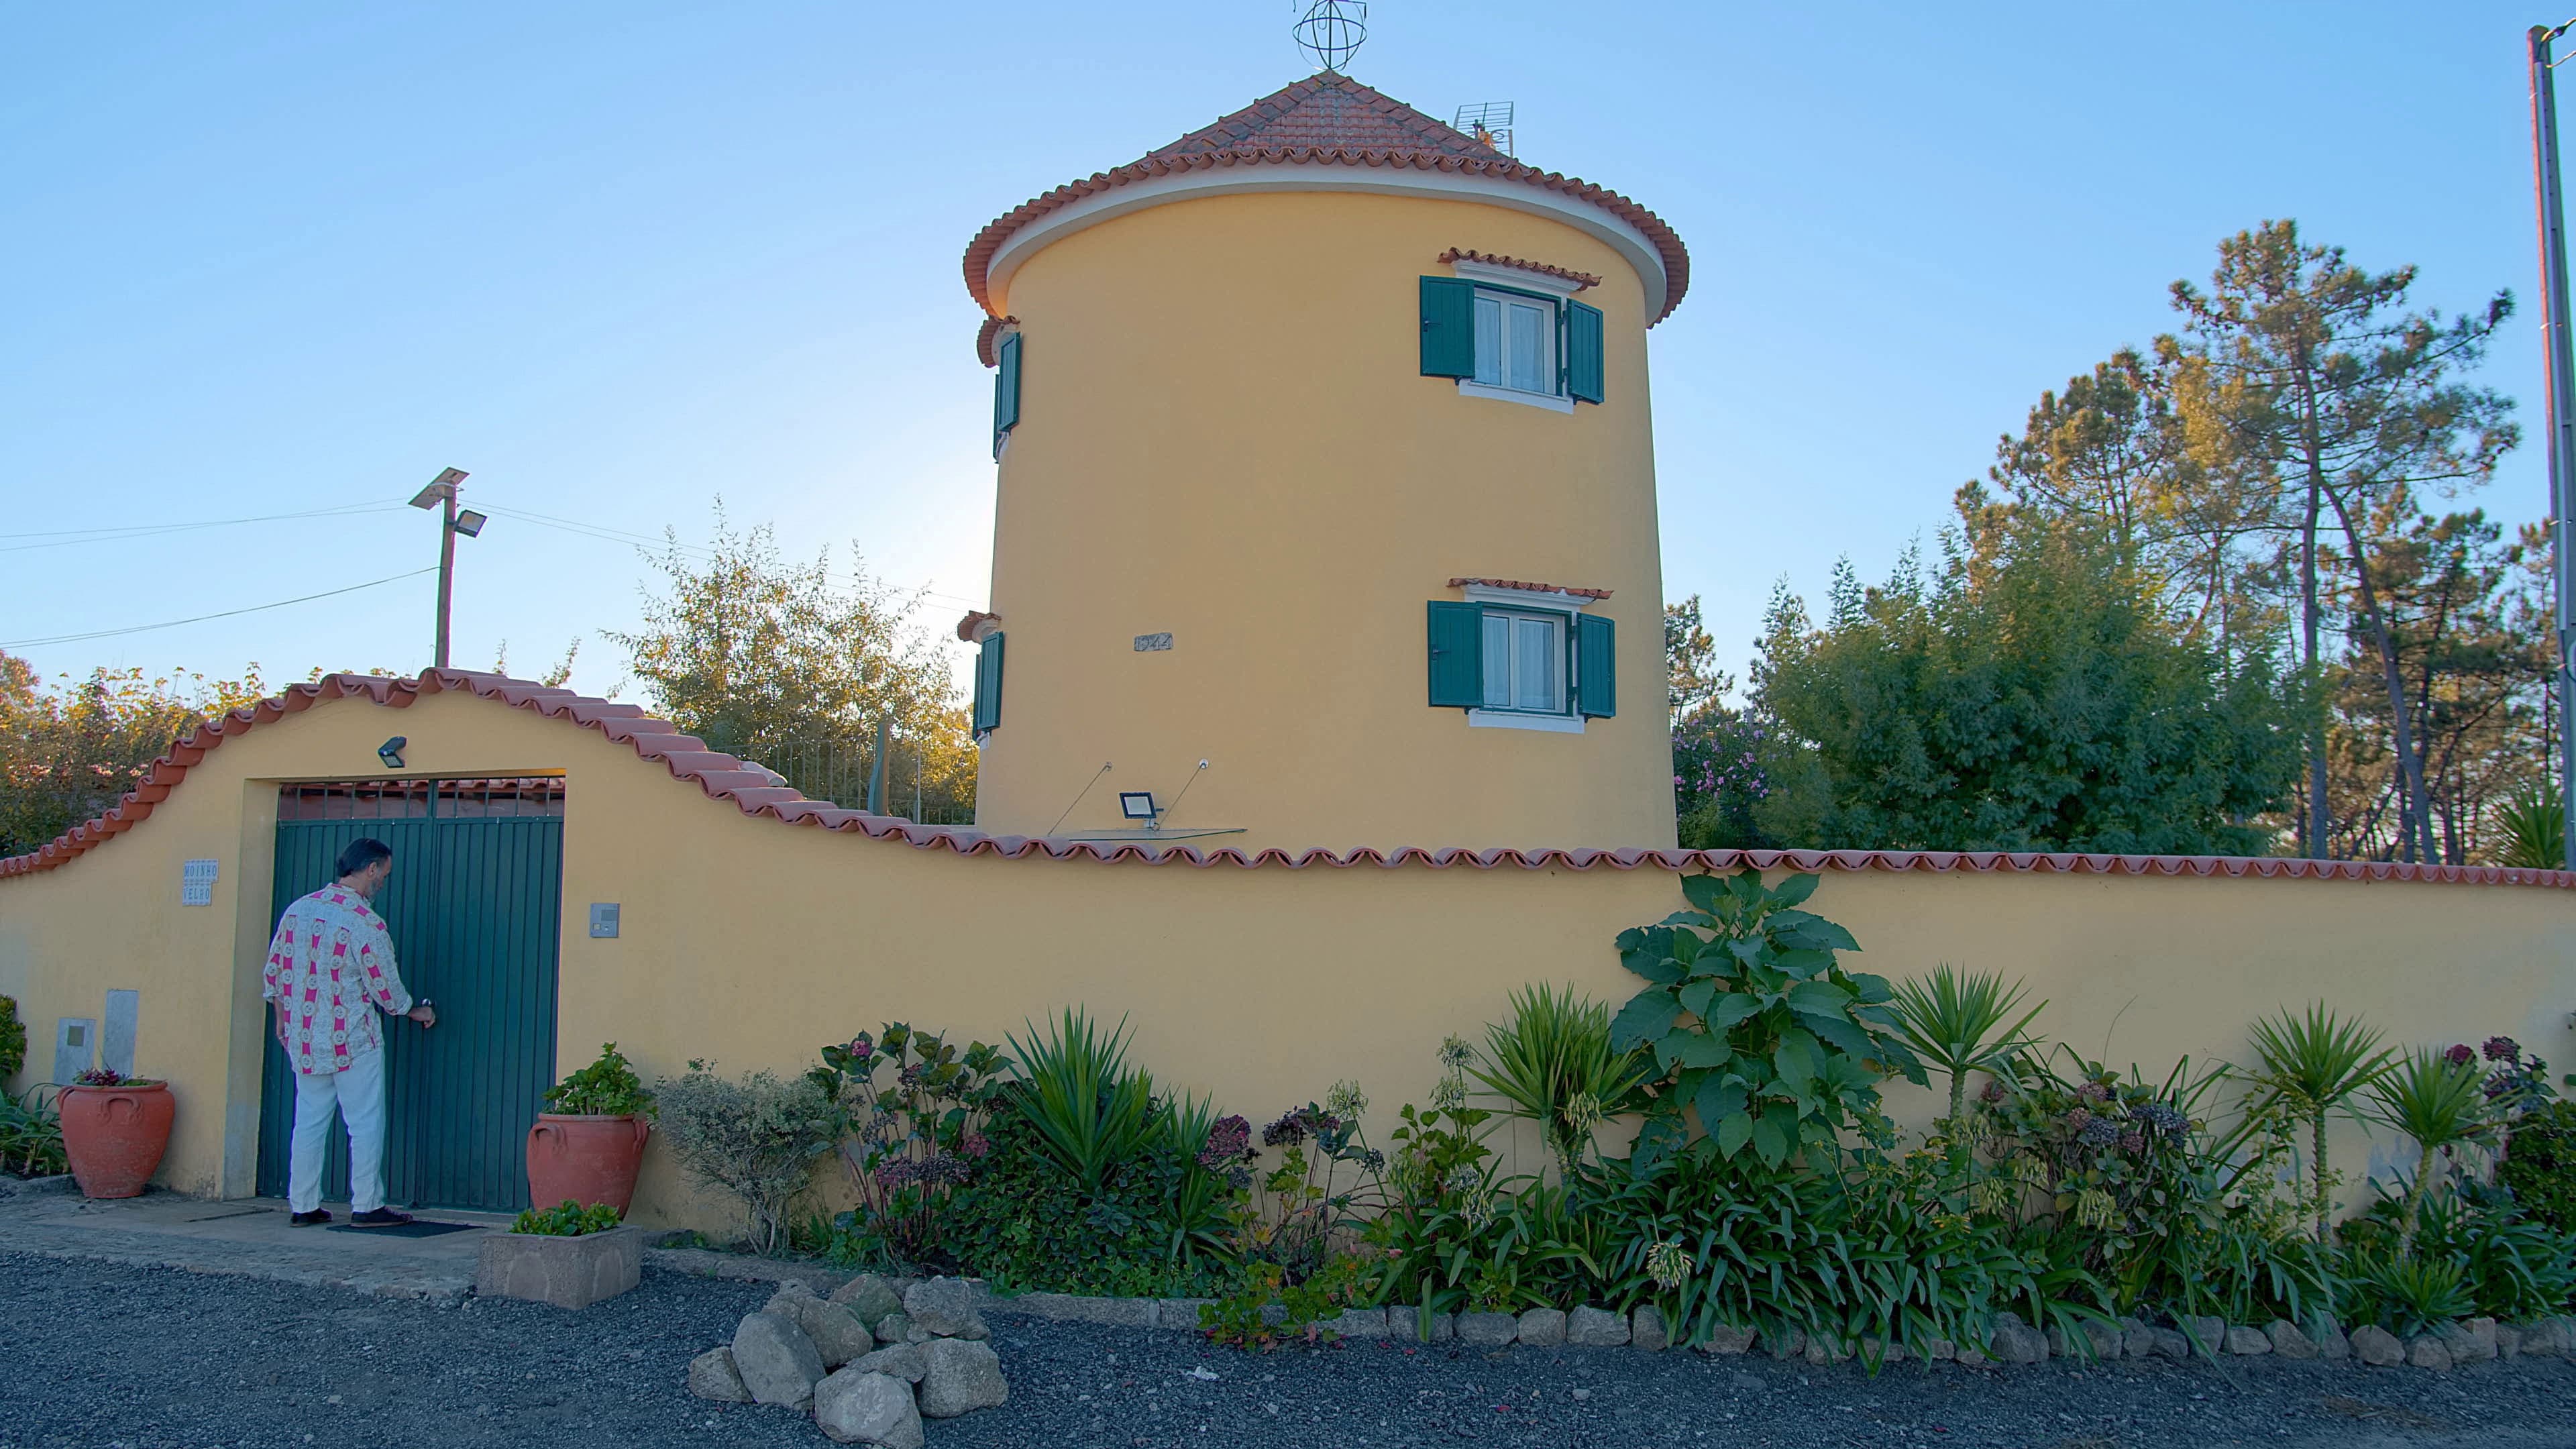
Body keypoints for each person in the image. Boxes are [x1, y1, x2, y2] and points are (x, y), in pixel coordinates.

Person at [261, 837, 437, 1228]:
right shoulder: (365, 922)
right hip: (353, 1040)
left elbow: (273, 973)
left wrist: (281, 1020)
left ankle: (303, 1205)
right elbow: (385, 989)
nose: (383, 883)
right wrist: (414, 1010)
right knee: (364, 1122)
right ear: (371, 869)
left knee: (308, 1122)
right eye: (384, 875)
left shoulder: (298, 911)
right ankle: (367, 1205)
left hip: (304, 1038)